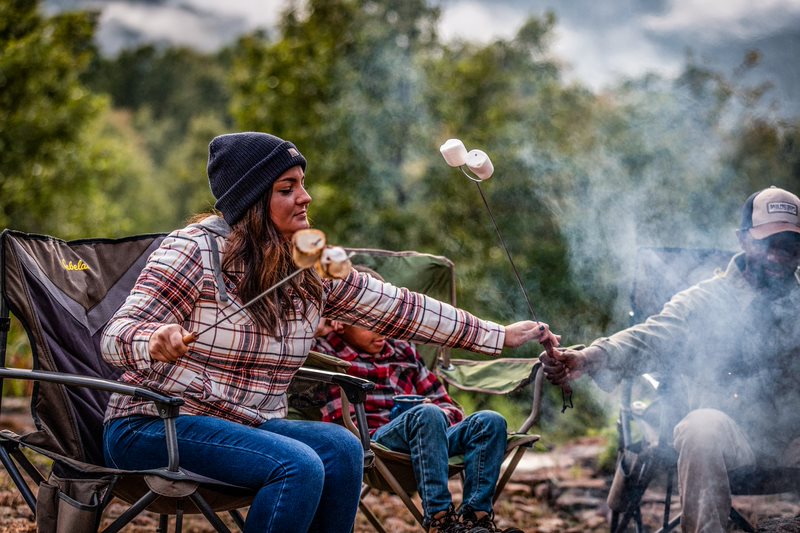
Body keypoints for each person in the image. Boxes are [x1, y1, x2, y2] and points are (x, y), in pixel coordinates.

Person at [100, 131, 560, 533]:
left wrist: (498, 336)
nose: (306, 197)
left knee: (342, 447)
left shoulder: (307, 261)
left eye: (302, 184)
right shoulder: (193, 250)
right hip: (156, 422)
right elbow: (116, 335)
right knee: (298, 465)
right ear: (252, 201)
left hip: (249, 424)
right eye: (288, 188)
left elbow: (399, 307)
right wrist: (153, 339)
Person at [541, 186, 800, 533]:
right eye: (770, 244)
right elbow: (650, 337)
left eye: (791, 245)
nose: (781, 255)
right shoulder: (706, 300)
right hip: (731, 436)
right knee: (700, 428)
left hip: (791, 438)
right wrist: (589, 357)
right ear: (744, 240)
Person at [313, 266, 526, 533]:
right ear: (340, 321)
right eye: (369, 322)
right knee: (426, 415)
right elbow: (295, 330)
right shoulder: (323, 349)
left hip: (430, 438)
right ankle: (441, 521)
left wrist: (437, 416)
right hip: (372, 442)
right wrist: (322, 320)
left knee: (490, 421)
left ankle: (476, 518)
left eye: (385, 321)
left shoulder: (403, 350)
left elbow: (446, 404)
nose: (381, 330)